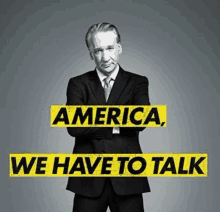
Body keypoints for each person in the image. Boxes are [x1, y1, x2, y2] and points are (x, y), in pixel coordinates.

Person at [66, 22, 151, 212]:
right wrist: (119, 122)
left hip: (128, 178)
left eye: (110, 48)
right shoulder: (77, 84)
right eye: (98, 51)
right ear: (90, 54)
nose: (105, 57)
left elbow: (142, 120)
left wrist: (92, 120)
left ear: (119, 48)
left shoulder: (138, 82)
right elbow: (73, 126)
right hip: (87, 180)